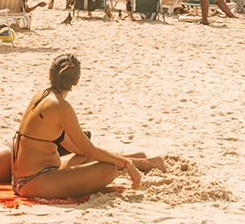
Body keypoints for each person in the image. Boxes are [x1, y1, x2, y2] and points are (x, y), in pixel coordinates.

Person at [11, 54, 165, 198]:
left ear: (50, 76)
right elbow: (89, 150)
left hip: (22, 179)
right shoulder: (61, 107)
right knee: (108, 169)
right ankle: (137, 163)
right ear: (76, 81)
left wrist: (121, 160)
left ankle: (145, 162)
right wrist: (126, 164)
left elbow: (79, 149)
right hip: (33, 182)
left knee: (89, 155)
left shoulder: (40, 95)